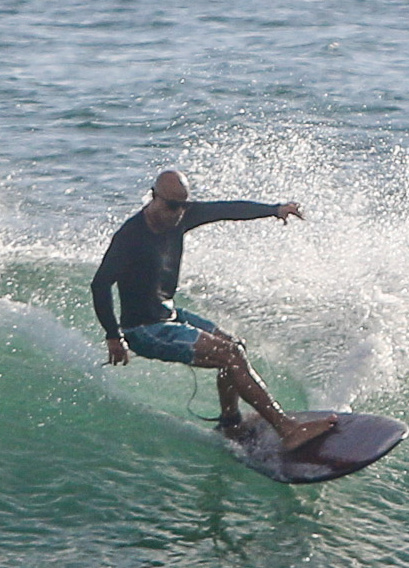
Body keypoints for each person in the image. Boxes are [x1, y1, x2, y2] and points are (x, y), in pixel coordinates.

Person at [90, 170, 337, 452]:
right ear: (154, 197)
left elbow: (226, 209)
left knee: (235, 346)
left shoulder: (181, 215)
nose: (179, 213)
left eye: (184, 206)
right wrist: (113, 336)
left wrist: (274, 210)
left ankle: (230, 422)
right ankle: (287, 429)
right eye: (173, 206)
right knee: (231, 355)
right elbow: (100, 285)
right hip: (144, 329)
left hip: (169, 314)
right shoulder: (130, 236)